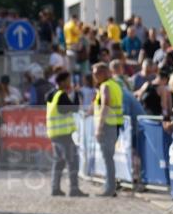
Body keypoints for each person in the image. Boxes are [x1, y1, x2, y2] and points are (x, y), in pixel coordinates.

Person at [45, 70, 87, 197]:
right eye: (68, 80)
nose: (70, 83)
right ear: (62, 82)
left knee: (59, 162)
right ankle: (74, 189)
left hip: (54, 133)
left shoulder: (50, 94)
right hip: (63, 134)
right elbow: (73, 108)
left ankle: (55, 188)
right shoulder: (61, 95)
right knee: (72, 160)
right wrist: (76, 94)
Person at [92, 62, 123, 197]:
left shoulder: (105, 86)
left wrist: (99, 127)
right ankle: (110, 186)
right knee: (109, 158)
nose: (94, 77)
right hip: (115, 124)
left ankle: (110, 188)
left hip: (107, 126)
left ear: (103, 73)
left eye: (96, 74)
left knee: (107, 158)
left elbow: (105, 105)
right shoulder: (115, 85)